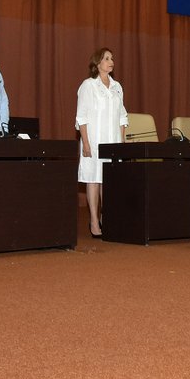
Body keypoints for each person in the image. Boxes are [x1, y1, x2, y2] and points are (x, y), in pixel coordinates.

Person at [76, 48, 127, 238]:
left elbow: (122, 116)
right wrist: (86, 144)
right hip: (94, 140)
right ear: (98, 63)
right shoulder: (88, 85)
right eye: (107, 58)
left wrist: (121, 142)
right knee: (94, 179)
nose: (111, 61)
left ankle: (109, 218)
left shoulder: (117, 87)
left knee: (109, 181)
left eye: (112, 58)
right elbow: (82, 117)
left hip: (112, 141)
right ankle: (94, 221)